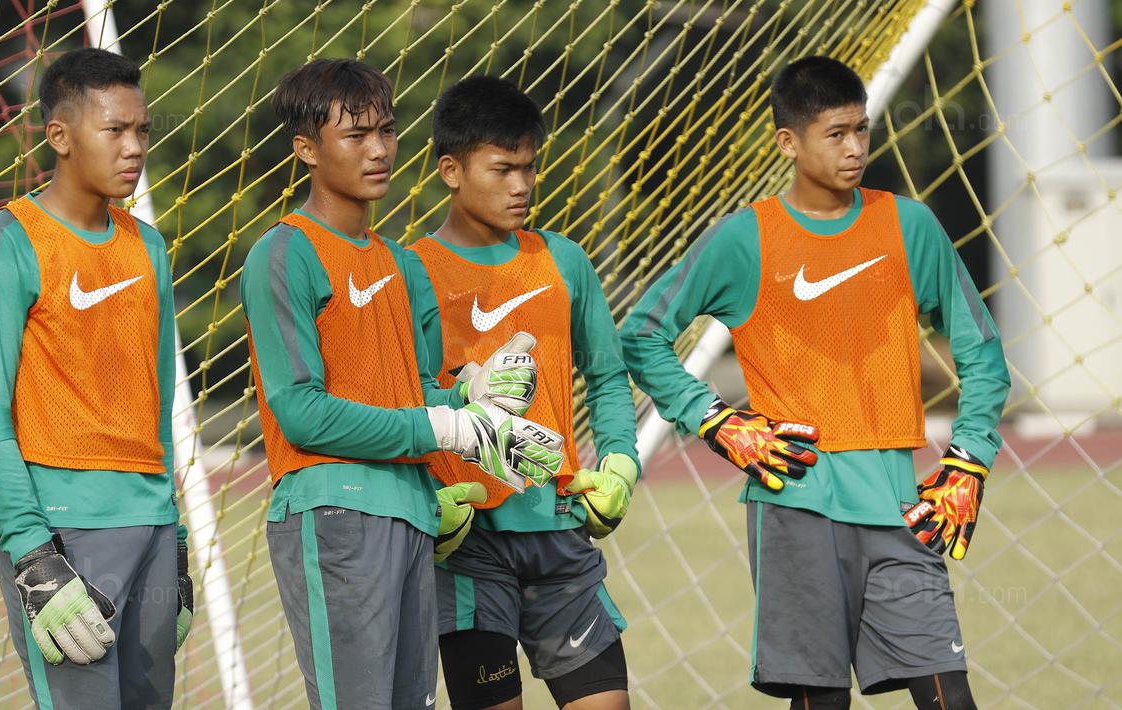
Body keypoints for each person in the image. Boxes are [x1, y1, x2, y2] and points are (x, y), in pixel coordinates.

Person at [620, 56, 1010, 709]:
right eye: (835, 133)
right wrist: (715, 421)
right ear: (787, 142)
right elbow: (641, 334)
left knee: (950, 696)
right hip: (793, 503)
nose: (855, 147)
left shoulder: (908, 226)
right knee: (818, 702)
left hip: (900, 505)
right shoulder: (743, 240)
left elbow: (982, 354)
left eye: (861, 129)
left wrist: (968, 460)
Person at [243, 59, 567, 709]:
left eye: (386, 132)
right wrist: (443, 425)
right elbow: (299, 412)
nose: (378, 150)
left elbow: (414, 393)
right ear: (305, 149)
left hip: (412, 513)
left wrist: (472, 400)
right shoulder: (283, 253)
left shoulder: (400, 262)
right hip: (332, 511)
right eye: (355, 135)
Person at [0, 47, 192, 709]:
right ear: (59, 136)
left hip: (149, 528)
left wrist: (172, 542)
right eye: (114, 129)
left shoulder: (148, 246)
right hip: (62, 537)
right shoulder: (8, 240)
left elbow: (156, 406)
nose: (134, 146)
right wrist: (33, 555)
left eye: (142, 130)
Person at [409, 76, 640, 710]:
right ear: (451, 170)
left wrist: (620, 459)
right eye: (503, 169)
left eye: (530, 168)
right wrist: (432, 496)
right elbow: (404, 401)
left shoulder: (563, 260)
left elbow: (606, 376)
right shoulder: (411, 271)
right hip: (467, 543)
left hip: (561, 530)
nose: (522, 186)